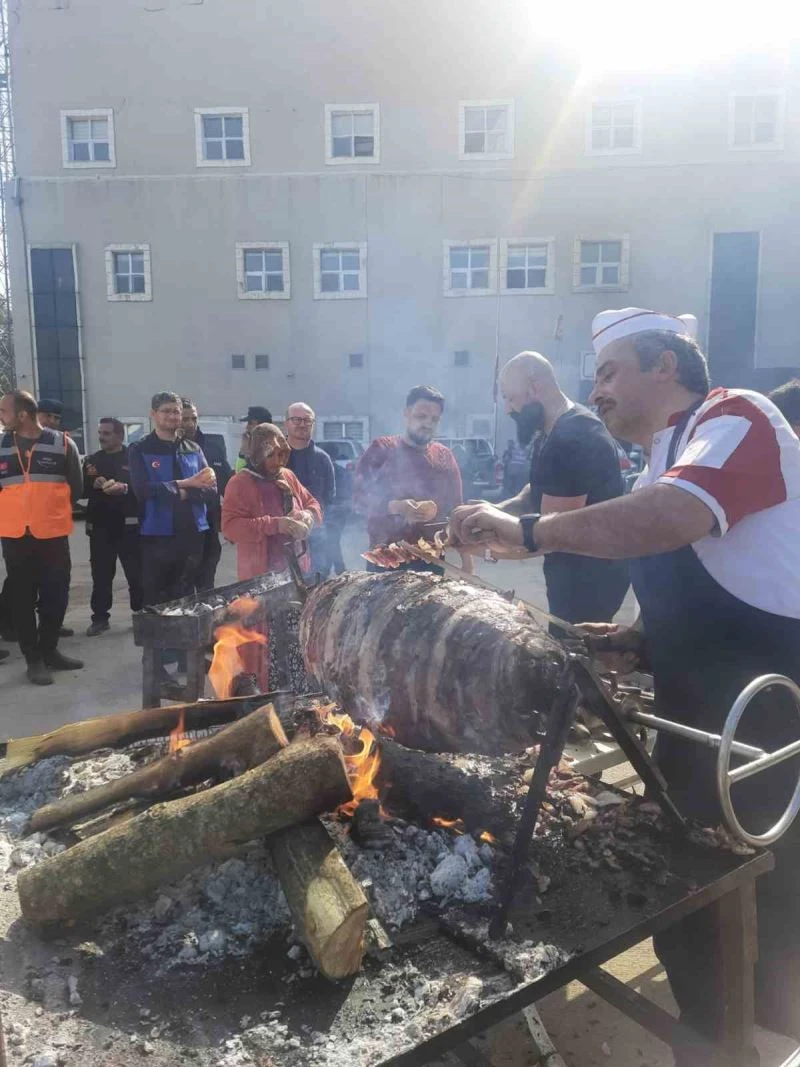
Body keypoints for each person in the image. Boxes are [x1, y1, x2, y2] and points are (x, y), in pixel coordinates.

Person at [450, 307, 800, 1058]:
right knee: (701, 911)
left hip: (764, 727)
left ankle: (745, 1037)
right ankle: (718, 1033)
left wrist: (530, 530)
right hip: (692, 729)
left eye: (608, 372)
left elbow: (672, 519)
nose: (596, 389)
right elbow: (708, 571)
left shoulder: (738, 416)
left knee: (768, 903)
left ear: (664, 365)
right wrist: (640, 640)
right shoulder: (660, 458)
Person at [495, 351, 629, 624]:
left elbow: (551, 535)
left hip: (590, 583)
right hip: (568, 574)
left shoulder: (573, 437)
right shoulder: (550, 429)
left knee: (576, 657)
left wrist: (483, 545)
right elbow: (538, 489)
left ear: (534, 387)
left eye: (510, 397)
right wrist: (495, 510)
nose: (508, 409)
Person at [222, 423, 321, 689]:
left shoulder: (288, 477)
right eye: (272, 455)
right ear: (256, 454)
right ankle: (265, 696)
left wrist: (307, 517)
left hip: (296, 574)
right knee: (263, 642)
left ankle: (299, 692)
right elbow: (230, 527)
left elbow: (312, 503)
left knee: (295, 635)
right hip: (261, 578)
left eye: (283, 455)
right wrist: (274, 525)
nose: (279, 462)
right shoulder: (239, 483)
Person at [0, 391, 84, 684]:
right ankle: (33, 659)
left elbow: (76, 486)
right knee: (22, 599)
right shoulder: (0, 446)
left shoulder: (62, 444)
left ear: (22, 414)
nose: (1, 417)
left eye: (4, 411)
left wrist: (49, 512)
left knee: (56, 595)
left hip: (52, 534)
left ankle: (49, 651)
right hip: (14, 536)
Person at [353, 385, 468, 574]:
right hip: (386, 561)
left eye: (434, 419)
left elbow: (457, 511)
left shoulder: (444, 456)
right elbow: (359, 500)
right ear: (407, 413)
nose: (428, 424)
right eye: (421, 416)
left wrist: (467, 561)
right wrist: (397, 507)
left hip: (431, 562)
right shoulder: (381, 449)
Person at [128, 391, 217, 614]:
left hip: (193, 535)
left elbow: (211, 490)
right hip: (157, 537)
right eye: (166, 411)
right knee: (157, 603)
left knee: (187, 601)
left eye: (176, 411)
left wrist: (186, 493)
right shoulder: (140, 449)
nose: (172, 416)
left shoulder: (193, 449)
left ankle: (186, 648)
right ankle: (156, 649)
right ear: (153, 414)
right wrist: (185, 483)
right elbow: (142, 490)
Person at [83, 417, 143, 636]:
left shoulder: (133, 458)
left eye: (107, 433)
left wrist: (124, 487)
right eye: (100, 433)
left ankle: (140, 615)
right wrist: (94, 484)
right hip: (100, 527)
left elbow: (143, 488)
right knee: (101, 575)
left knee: (136, 574)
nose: (101, 437)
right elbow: (82, 490)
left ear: (120, 435)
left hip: (129, 527)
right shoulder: (92, 460)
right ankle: (100, 618)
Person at [180, 399, 232, 592]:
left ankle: (206, 619)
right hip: (181, 527)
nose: (190, 423)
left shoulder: (213, 447)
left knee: (206, 584)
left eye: (193, 418)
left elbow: (227, 486)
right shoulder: (169, 450)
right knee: (182, 586)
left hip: (209, 526)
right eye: (184, 419)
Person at [285, 402, 335, 580]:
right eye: (296, 419)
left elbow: (329, 497)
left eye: (307, 420)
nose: (302, 424)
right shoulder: (276, 457)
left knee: (317, 581)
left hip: (317, 534)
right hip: (283, 535)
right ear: (286, 423)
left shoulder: (323, 459)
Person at [235, 405, 273, 472]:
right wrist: (243, 450)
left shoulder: (274, 448)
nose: (247, 427)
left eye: (250, 423)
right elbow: (239, 472)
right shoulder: (253, 447)